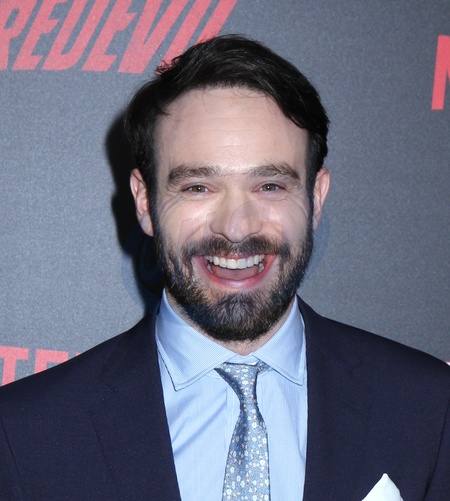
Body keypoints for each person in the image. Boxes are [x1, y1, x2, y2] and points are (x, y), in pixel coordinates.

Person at [0, 35, 449, 501]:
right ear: (146, 202)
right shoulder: (24, 435)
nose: (236, 228)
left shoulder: (428, 408)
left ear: (315, 199)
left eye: (270, 186)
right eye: (198, 187)